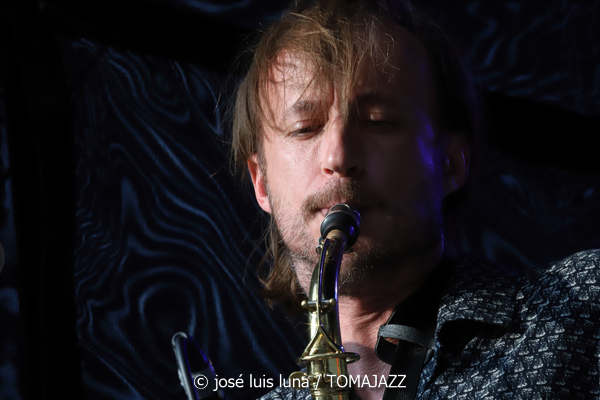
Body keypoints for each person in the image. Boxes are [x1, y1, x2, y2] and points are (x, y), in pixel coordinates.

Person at [230, 0, 600, 399]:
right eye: (305, 128)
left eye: (379, 121)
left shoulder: (584, 305)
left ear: (450, 163)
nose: (338, 157)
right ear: (261, 182)